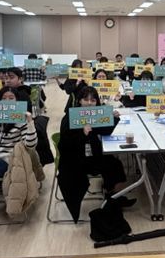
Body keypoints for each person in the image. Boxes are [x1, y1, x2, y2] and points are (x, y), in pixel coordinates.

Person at [57, 86, 134, 221]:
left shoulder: (96, 114)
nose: (89, 103)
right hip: (75, 160)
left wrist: (113, 118)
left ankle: (112, 195)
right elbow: (64, 144)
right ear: (79, 101)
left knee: (114, 163)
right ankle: (111, 197)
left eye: (93, 100)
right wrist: (82, 133)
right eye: (85, 99)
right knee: (110, 164)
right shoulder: (70, 117)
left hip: (92, 155)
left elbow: (105, 131)